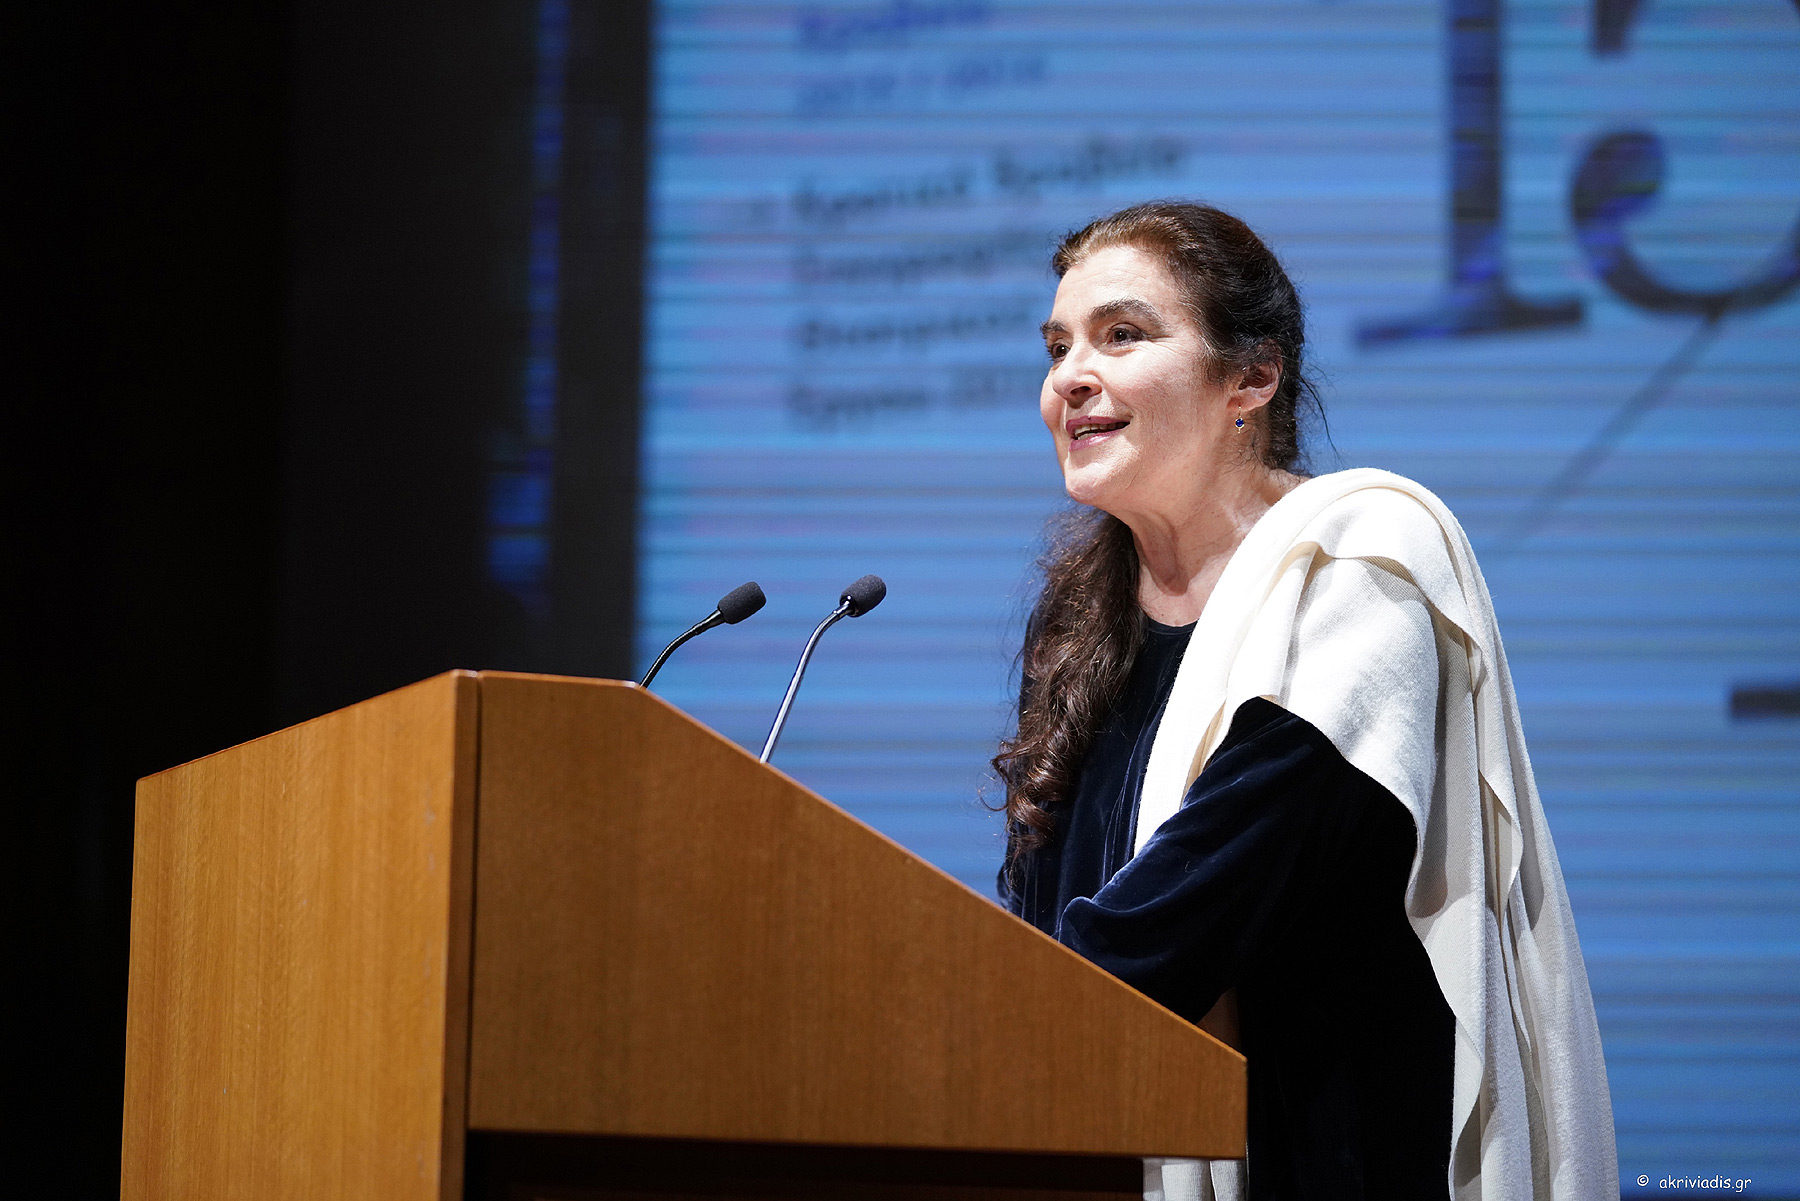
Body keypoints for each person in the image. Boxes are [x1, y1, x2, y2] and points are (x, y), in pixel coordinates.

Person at [994, 202, 1617, 1200]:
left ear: (1251, 379)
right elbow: (1037, 915)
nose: (1071, 376)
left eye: (1122, 334)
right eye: (1058, 346)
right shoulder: (1076, 626)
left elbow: (1188, 913)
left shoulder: (1363, 566)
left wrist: (961, 1021)